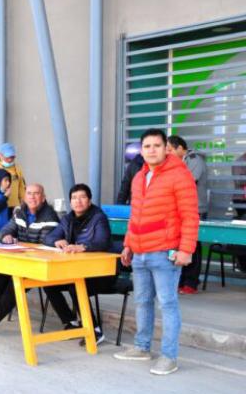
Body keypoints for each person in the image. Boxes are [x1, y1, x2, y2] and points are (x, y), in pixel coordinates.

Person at [115, 128, 198, 376]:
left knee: (168, 304)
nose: (152, 150)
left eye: (157, 146)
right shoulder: (139, 177)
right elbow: (136, 215)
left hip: (164, 252)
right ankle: (142, 347)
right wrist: (128, 244)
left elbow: (190, 216)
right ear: (141, 150)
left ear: (166, 149)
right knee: (142, 302)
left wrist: (186, 250)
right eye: (147, 146)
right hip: (139, 252)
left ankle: (169, 356)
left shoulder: (179, 176)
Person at [0, 184, 59, 333]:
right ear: (24, 197)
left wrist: (19, 242)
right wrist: (5, 236)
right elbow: (4, 230)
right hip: (20, 260)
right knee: (2, 273)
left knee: (14, 284)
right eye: (29, 193)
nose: (32, 197)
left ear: (43, 197)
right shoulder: (20, 212)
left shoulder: (50, 217)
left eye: (36, 194)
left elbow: (44, 244)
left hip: (38, 266)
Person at [43, 183, 114, 345]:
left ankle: (95, 330)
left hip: (100, 272)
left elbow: (102, 241)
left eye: (82, 197)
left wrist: (83, 247)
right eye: (74, 198)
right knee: (48, 283)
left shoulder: (98, 217)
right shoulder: (68, 218)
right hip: (76, 270)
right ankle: (71, 322)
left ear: (89, 201)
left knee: (75, 285)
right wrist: (56, 241)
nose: (78, 201)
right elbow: (47, 237)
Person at [167, 135, 207, 295]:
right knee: (179, 245)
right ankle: (181, 281)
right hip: (178, 210)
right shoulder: (174, 164)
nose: (167, 153)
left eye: (170, 150)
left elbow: (189, 181)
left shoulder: (194, 160)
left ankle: (191, 283)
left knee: (193, 246)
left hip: (195, 209)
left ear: (180, 148)